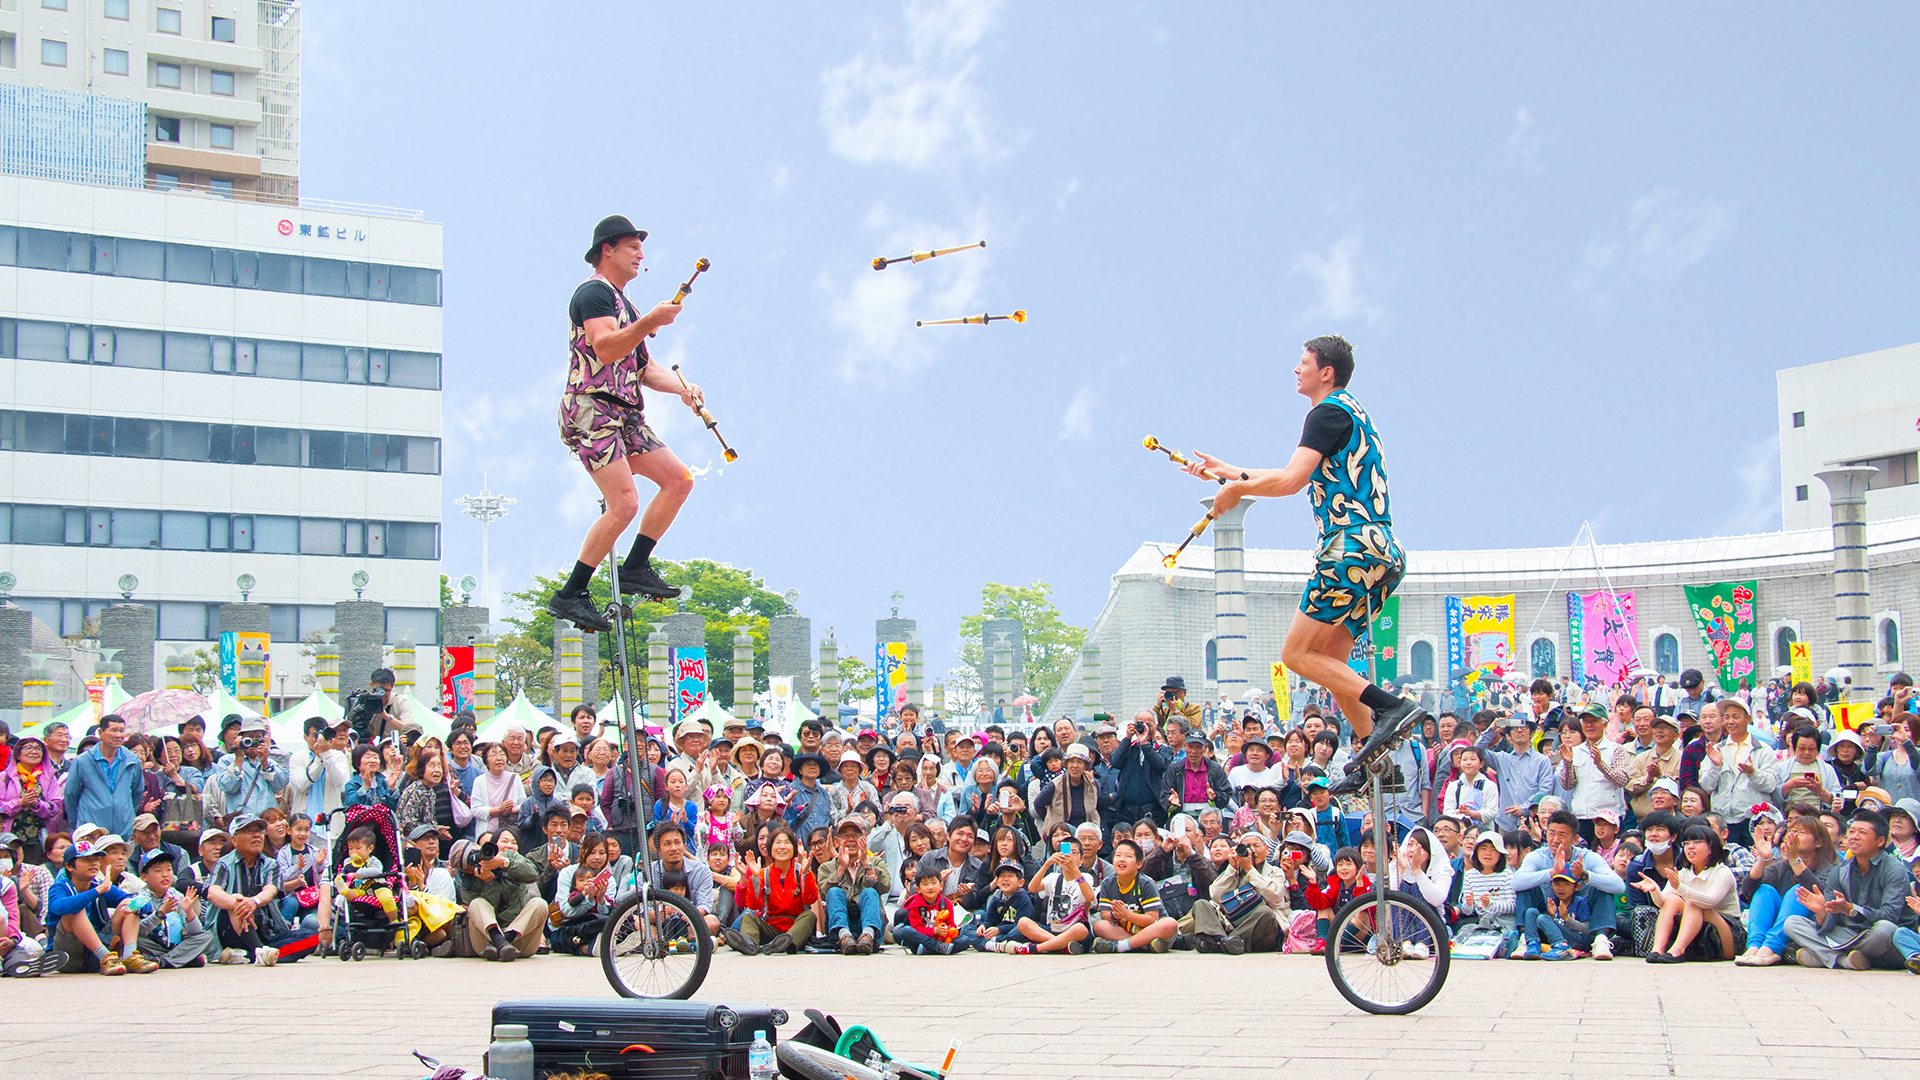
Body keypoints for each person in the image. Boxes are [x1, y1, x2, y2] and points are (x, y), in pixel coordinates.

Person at [1183, 336, 1426, 794]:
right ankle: (1377, 756)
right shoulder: (1349, 413)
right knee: (1330, 661)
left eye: (1303, 363)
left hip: (1349, 548)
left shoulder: (1327, 412)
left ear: (1326, 371)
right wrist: (1231, 473)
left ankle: (1391, 707)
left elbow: (1293, 480)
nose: (1296, 370)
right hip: (1382, 552)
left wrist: (1237, 490)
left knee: (1295, 655)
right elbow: (1292, 471)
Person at [545, 214, 699, 629]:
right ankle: (571, 593)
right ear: (607, 250)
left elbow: (644, 368)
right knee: (625, 503)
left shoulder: (624, 305)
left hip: (624, 414)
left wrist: (684, 388)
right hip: (592, 409)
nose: (641, 255)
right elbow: (606, 348)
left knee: (679, 480)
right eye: (633, 246)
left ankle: (635, 568)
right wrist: (650, 321)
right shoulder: (593, 293)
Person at [1784, 812, 1918, 970]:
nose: (1854, 837)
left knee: (1885, 928)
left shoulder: (1894, 869)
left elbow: (1890, 916)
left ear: (1880, 841)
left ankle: (1826, 955)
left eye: (1862, 833)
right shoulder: (1841, 869)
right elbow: (1829, 922)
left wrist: (1851, 910)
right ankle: (1844, 960)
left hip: (1886, 941)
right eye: (1852, 831)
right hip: (1851, 935)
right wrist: (1821, 913)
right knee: (1792, 923)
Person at [1510, 808, 1626, 961]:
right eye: (1551, 833)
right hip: (1546, 920)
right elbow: (1516, 883)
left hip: (1581, 927)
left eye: (1562, 835)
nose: (1555, 839)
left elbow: (1619, 886)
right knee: (1525, 886)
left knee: (1604, 886)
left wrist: (1585, 876)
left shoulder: (1587, 857)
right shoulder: (1538, 856)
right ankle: (1526, 939)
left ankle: (1600, 940)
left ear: (1575, 839)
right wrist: (1551, 872)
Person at [207, 815, 309, 966]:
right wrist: (237, 903)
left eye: (260, 831)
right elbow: (212, 892)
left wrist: (253, 901)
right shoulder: (223, 864)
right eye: (249, 831)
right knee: (237, 900)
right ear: (234, 840)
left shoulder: (271, 864)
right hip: (230, 932)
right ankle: (260, 951)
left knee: (312, 937)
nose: (256, 835)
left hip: (266, 930)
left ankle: (249, 956)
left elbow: (270, 890)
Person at [48, 837, 158, 975]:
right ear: (69, 867)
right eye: (86, 860)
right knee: (75, 909)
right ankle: (105, 957)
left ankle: (130, 956)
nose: (93, 863)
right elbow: (61, 907)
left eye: (95, 859)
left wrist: (135, 905)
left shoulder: (100, 885)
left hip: (96, 953)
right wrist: (98, 891)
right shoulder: (60, 887)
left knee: (128, 904)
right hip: (68, 956)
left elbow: (145, 904)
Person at [1641, 822, 1742, 963]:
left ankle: (1678, 951)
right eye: (1687, 843)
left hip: (1726, 933)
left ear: (1711, 848)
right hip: (1701, 932)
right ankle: (1657, 949)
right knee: (1672, 900)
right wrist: (1654, 890)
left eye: (1697, 842)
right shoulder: (1683, 874)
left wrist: (1680, 887)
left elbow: (1709, 901)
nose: (1690, 847)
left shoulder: (1722, 872)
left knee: (1692, 904)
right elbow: (1662, 903)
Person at [1698, 697, 1781, 846]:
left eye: (1735, 717)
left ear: (1748, 719)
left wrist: (1753, 773)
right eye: (1727, 717)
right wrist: (1716, 766)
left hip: (1753, 820)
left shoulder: (1763, 750)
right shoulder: (1717, 749)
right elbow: (1706, 786)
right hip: (1723, 820)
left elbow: (1771, 784)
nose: (1730, 722)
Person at [453, 832, 546, 961]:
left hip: (520, 939)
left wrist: (505, 864)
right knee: (476, 903)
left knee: (539, 904)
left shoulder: (508, 856)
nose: (478, 862)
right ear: (464, 871)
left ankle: (503, 942)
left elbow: (533, 874)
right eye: (471, 864)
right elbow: (491, 912)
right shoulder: (467, 885)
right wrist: (490, 883)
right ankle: (499, 941)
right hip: (485, 944)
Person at [726, 825, 818, 955]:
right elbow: (753, 905)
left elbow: (810, 899)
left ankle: (788, 945)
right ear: (770, 849)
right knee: (747, 917)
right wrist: (755, 878)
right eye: (778, 843)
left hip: (796, 927)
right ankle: (749, 944)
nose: (782, 847)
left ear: (794, 848)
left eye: (787, 843)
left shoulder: (800, 870)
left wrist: (806, 874)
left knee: (810, 916)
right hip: (772, 927)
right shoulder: (765, 873)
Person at [61, 714, 143, 839]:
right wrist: (78, 823)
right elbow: (71, 795)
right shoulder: (83, 761)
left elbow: (137, 792)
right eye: (114, 730)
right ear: (101, 733)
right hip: (92, 830)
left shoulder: (132, 760)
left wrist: (126, 813)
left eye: (121, 731)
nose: (118, 735)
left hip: (123, 829)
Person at [1090, 838, 1178, 954]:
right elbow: (1104, 914)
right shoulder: (1108, 883)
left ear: (1139, 863)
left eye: (1128, 856)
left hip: (1152, 930)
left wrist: (1126, 914)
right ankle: (1143, 946)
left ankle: (1121, 946)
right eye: (1118, 855)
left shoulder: (1146, 883)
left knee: (1170, 924)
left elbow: (1152, 919)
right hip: (1128, 931)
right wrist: (1114, 915)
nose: (1122, 859)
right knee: (1099, 926)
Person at [1018, 839, 1096, 954]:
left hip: (1073, 929)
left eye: (1074, 853)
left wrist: (1074, 869)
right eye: (1066, 852)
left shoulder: (1085, 877)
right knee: (1023, 923)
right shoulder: (1053, 877)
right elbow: (1032, 888)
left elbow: (1089, 897)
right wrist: (1047, 864)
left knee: (1080, 929)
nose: (1069, 856)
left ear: (1082, 859)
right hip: (1053, 929)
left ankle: (1037, 948)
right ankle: (1060, 945)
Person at [288, 719, 350, 827]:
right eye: (314, 735)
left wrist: (327, 755)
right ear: (305, 737)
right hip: (303, 822)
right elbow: (300, 785)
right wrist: (318, 760)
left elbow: (341, 784)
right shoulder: (297, 757)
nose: (318, 740)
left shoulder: (338, 756)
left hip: (330, 823)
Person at [899, 866, 974, 955]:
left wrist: (947, 929)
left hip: (941, 940)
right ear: (918, 889)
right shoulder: (915, 905)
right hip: (922, 941)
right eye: (925, 884)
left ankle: (930, 950)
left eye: (934, 883)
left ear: (941, 886)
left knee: (964, 940)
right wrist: (935, 931)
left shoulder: (946, 903)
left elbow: (951, 924)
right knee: (906, 930)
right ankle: (938, 947)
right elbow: (917, 928)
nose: (930, 887)